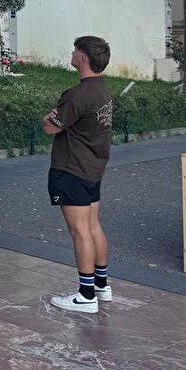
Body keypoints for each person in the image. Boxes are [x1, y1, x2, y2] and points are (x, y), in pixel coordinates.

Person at [43, 36, 114, 314]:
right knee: (93, 225)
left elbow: (51, 127)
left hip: (72, 168)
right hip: (93, 167)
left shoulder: (78, 94)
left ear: (83, 58)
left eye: (76, 50)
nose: (72, 53)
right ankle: (101, 285)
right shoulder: (102, 91)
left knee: (79, 230)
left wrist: (49, 119)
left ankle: (86, 295)